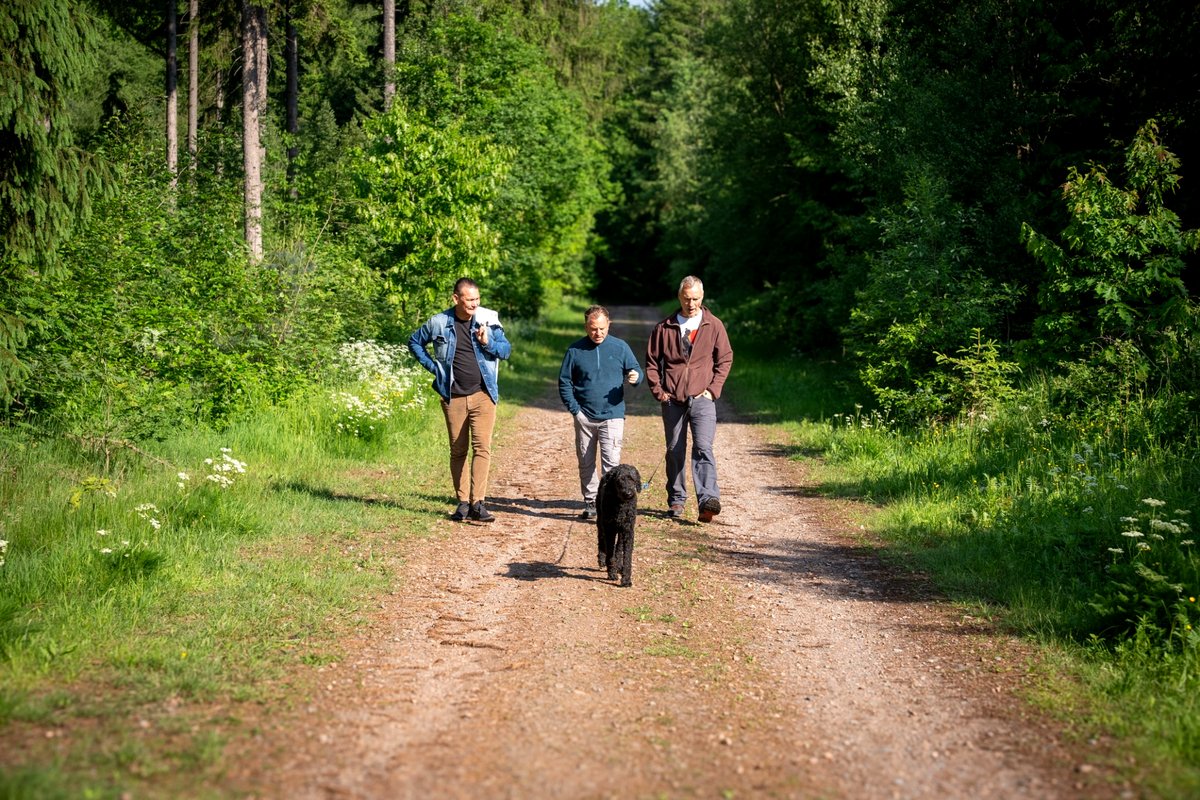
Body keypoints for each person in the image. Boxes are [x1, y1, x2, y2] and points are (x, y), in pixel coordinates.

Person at [408, 277, 512, 522]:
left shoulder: (488, 320)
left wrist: (488, 342)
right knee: (458, 450)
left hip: (483, 395)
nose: (474, 304)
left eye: (477, 299)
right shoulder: (438, 322)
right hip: (453, 396)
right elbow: (414, 342)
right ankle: (463, 502)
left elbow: (506, 351)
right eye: (469, 300)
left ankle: (478, 503)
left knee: (482, 448)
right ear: (456, 299)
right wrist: (435, 368)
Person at [645, 276, 733, 522]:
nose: (691, 304)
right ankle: (676, 499)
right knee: (674, 450)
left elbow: (725, 359)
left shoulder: (714, 325)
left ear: (702, 297)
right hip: (673, 400)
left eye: (695, 299)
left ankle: (707, 501)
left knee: (703, 447)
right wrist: (659, 391)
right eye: (686, 299)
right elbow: (652, 362)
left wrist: (713, 389)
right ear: (679, 297)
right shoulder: (664, 327)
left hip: (703, 399)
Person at [558, 305, 643, 520]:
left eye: (602, 329)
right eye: (593, 329)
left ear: (609, 325)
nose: (598, 333)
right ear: (586, 327)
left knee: (611, 463)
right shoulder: (575, 350)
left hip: (612, 415)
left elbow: (636, 370)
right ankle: (591, 502)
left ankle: (609, 503)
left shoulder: (620, 347)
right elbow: (564, 382)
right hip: (584, 416)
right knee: (586, 461)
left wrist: (635, 377)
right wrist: (575, 410)